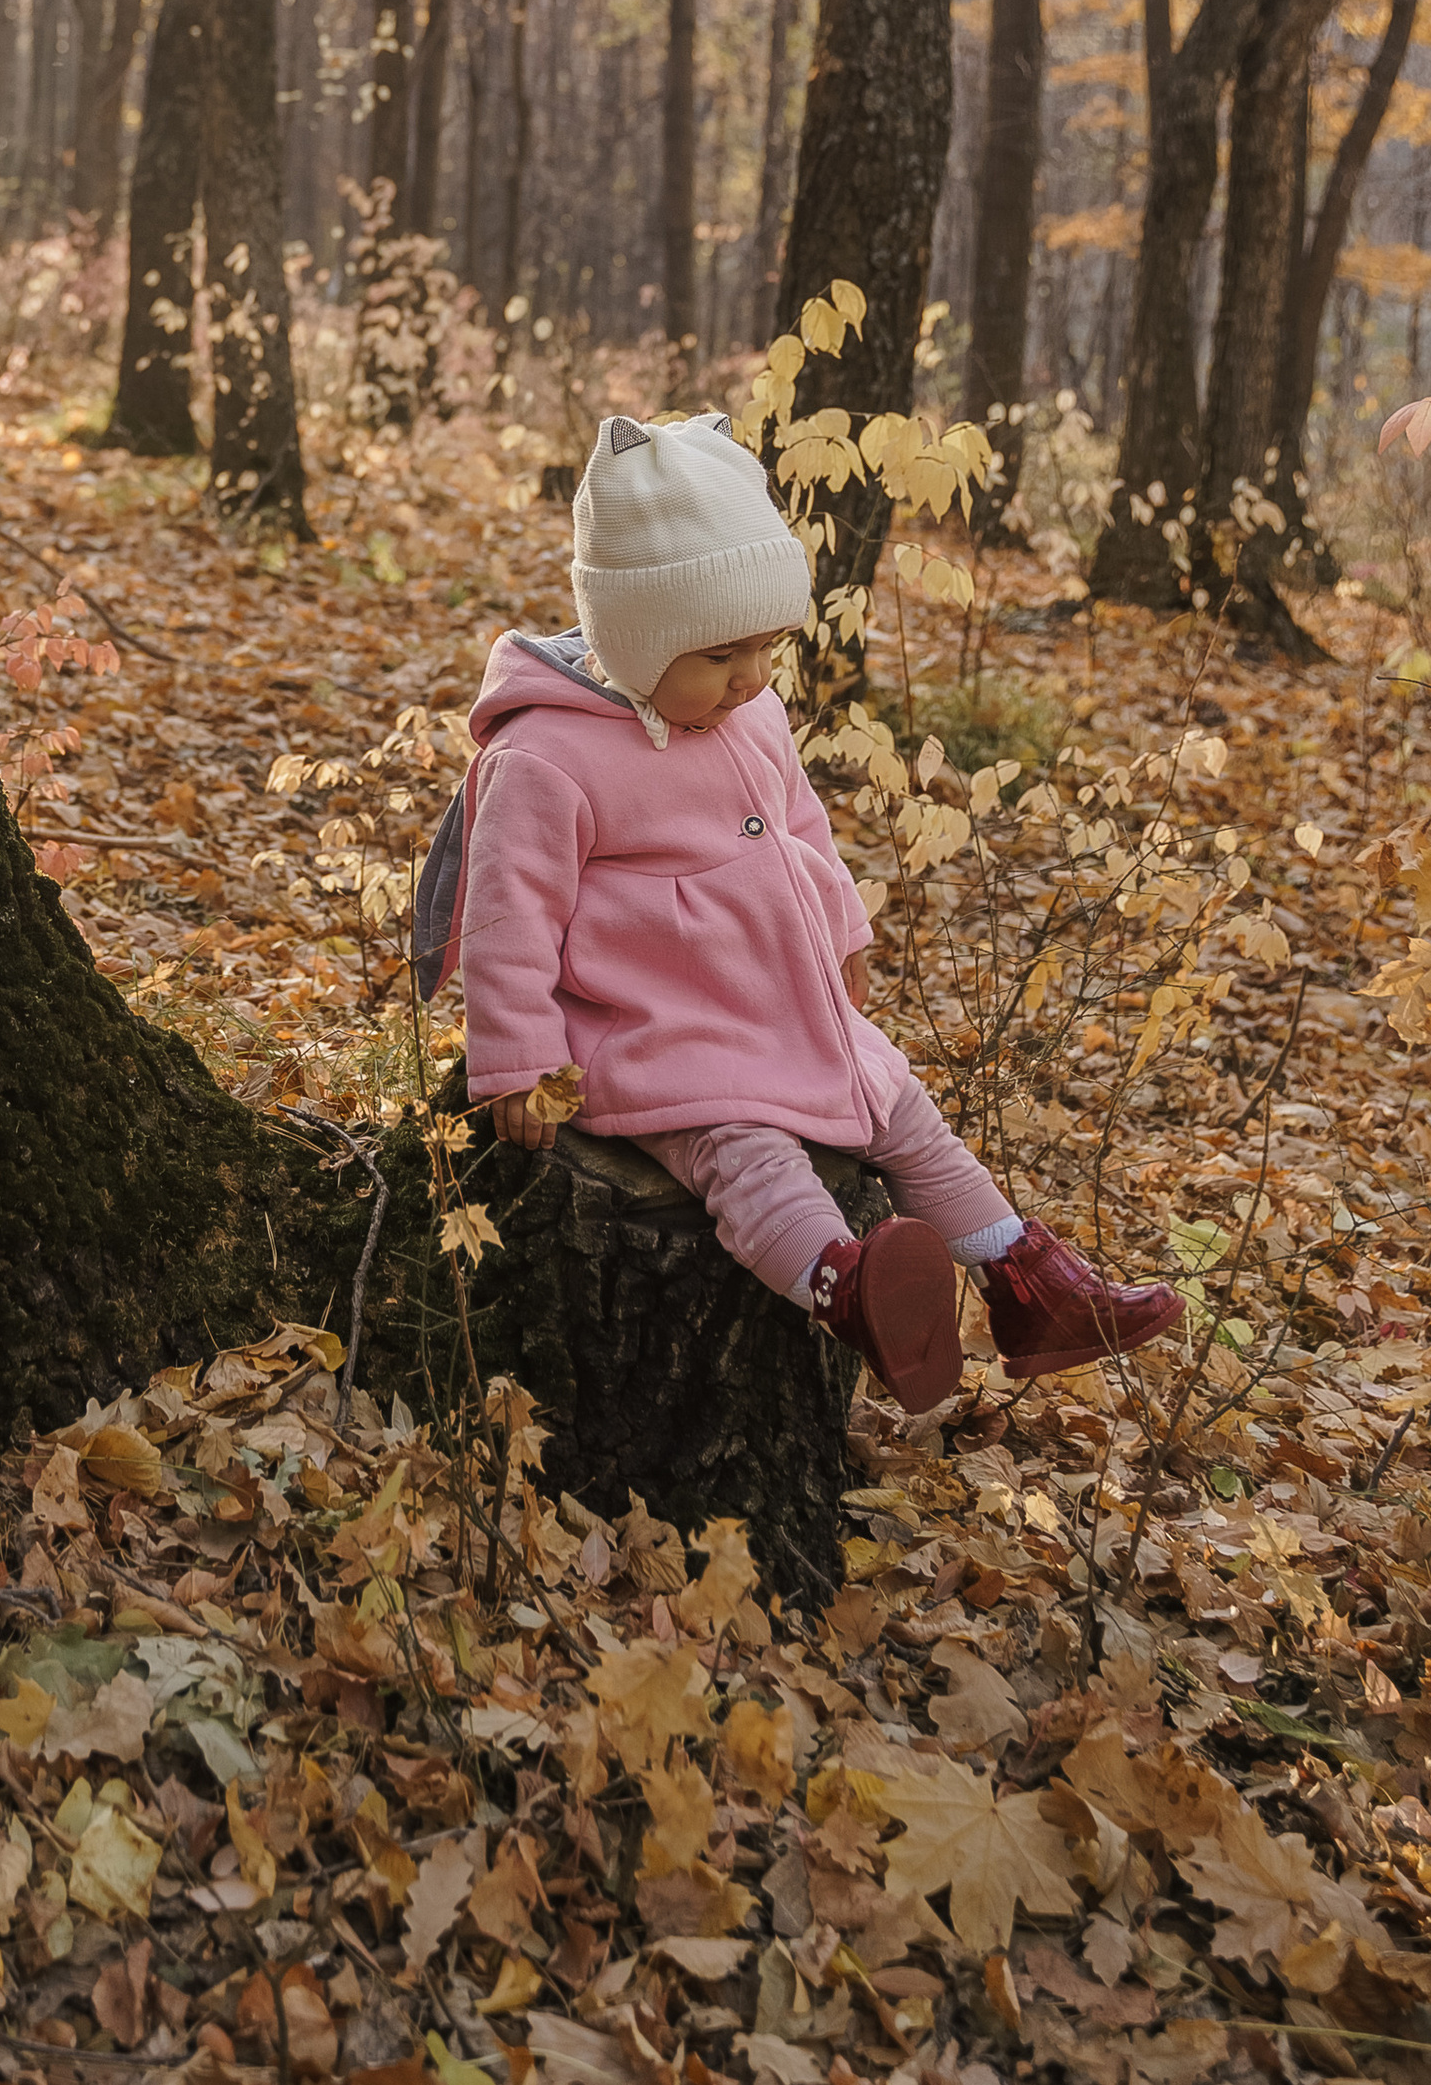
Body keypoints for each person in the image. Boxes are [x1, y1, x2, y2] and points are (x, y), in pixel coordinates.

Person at [437, 410, 1183, 1410]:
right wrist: (519, 1065)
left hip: (783, 1000)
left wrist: (842, 936)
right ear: (634, 638)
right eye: (719, 655)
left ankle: (1024, 1282)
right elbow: (507, 918)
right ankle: (845, 1285)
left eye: (767, 650)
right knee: (741, 1151)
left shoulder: (752, 714)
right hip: (660, 1029)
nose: (750, 677)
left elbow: (801, 828)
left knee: (900, 1109)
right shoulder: (549, 757)